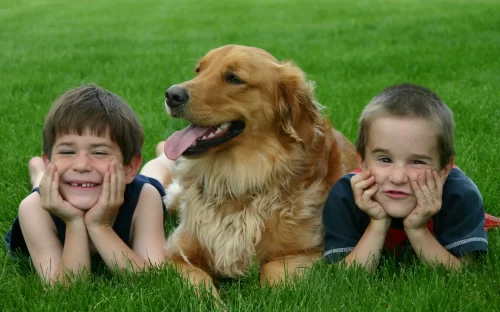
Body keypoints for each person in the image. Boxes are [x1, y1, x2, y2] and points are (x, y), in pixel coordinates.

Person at [5, 84, 168, 284]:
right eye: (67, 152)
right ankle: (38, 172)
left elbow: (153, 277)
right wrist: (73, 222)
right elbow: (65, 290)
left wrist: (100, 225)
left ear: (129, 167)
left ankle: (164, 154)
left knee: (156, 173)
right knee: (45, 186)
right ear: (50, 161)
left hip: (114, 183)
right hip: (66, 185)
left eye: (99, 152)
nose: (81, 165)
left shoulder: (145, 197)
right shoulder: (33, 209)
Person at [323, 83, 488, 272]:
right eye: (385, 159)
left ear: (444, 169)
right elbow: (346, 277)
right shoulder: (345, 196)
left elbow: (463, 274)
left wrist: (418, 230)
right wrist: (378, 223)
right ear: (362, 162)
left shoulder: (459, 195)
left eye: (417, 162)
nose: (398, 177)